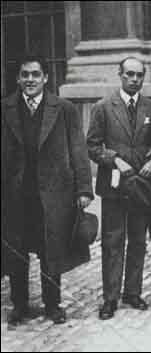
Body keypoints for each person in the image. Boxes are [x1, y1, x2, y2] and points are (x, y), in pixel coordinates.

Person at [1, 54, 93, 325]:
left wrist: (84, 189)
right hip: (15, 194)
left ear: (45, 78)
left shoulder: (64, 109)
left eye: (35, 74)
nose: (30, 80)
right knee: (16, 249)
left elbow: (78, 149)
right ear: (18, 78)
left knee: (50, 248)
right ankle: (20, 305)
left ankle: (53, 304)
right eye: (25, 75)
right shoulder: (5, 108)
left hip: (54, 194)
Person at [87, 57, 151, 320]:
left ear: (144, 77)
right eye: (129, 74)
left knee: (138, 240)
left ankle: (132, 291)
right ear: (119, 74)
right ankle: (110, 298)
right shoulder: (103, 107)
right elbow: (93, 146)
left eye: (139, 75)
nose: (134, 79)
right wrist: (115, 159)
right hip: (115, 185)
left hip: (140, 183)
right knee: (112, 240)